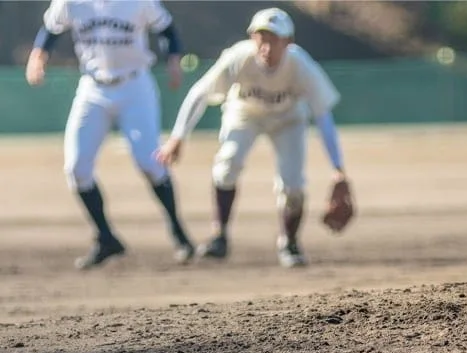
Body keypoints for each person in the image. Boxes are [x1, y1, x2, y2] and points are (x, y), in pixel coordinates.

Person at [155, 7, 349, 268]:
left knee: (292, 185)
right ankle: (220, 236)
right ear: (252, 38)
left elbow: (323, 116)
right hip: (245, 112)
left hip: (288, 119)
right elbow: (199, 94)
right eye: (261, 38)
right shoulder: (238, 57)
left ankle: (289, 243)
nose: (266, 47)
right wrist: (178, 136)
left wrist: (338, 169)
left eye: (274, 40)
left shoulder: (301, 65)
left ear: (288, 42)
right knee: (227, 165)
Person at [25, 0, 195, 270]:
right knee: (77, 168)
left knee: (150, 162)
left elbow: (167, 29)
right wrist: (37, 57)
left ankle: (178, 232)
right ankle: (106, 237)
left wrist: (174, 60)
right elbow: (51, 29)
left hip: (135, 86)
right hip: (93, 88)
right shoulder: (70, 2)